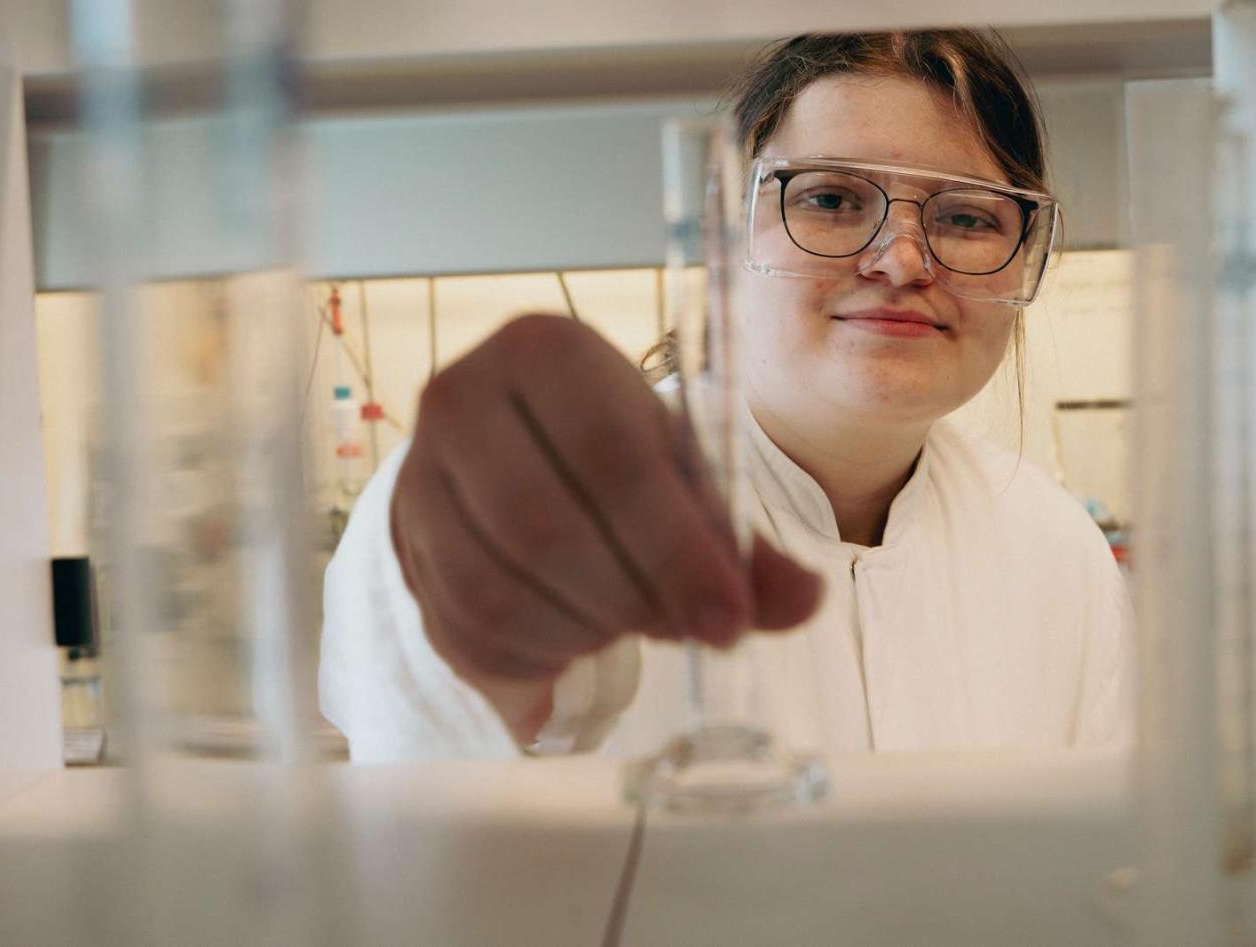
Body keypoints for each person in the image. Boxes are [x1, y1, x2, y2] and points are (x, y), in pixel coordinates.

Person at [319, 30, 1133, 763]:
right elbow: (435, 748)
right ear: (723, 238)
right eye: (830, 200)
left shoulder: (1056, 546)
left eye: (966, 218)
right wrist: (462, 560)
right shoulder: (570, 494)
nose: (903, 260)